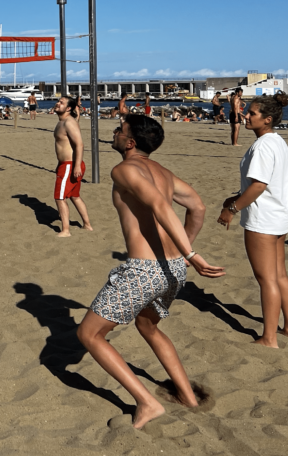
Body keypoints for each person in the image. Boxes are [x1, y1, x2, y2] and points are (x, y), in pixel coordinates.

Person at [77, 115, 224, 429]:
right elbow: (197, 207)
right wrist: (182, 254)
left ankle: (147, 402)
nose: (114, 133)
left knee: (88, 334)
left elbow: (159, 204)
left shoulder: (124, 169)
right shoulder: (163, 172)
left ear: (130, 142)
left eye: (120, 130)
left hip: (145, 270)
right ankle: (187, 395)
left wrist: (191, 253)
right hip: (172, 271)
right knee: (148, 326)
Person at [217, 93, 288, 348]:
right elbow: (263, 183)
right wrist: (236, 196)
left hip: (264, 219)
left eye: (252, 113)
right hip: (280, 215)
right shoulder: (277, 141)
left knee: (267, 280)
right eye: (247, 112)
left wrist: (232, 208)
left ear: (268, 119)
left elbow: (259, 186)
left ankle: (269, 338)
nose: (246, 116)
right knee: (280, 275)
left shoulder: (263, 145)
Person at [52, 95, 93, 237]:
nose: (57, 104)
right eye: (58, 101)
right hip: (66, 164)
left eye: (61, 103)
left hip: (70, 165)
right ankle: (87, 225)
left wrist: (76, 166)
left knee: (59, 197)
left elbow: (79, 144)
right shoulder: (64, 121)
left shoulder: (68, 122)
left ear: (68, 108)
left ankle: (66, 230)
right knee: (74, 196)